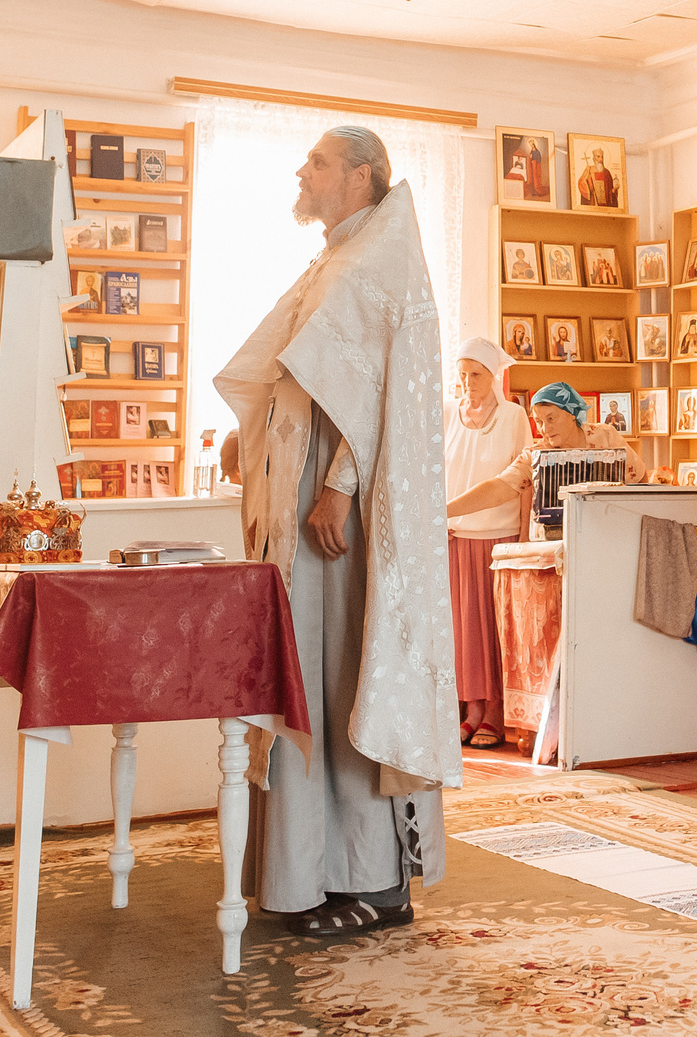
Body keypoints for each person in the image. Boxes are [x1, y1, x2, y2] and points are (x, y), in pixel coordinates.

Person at [216, 126, 456, 938]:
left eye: (316, 160)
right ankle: (307, 874)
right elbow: (306, 375)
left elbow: (380, 394)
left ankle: (370, 880)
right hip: (301, 501)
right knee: (303, 675)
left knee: (343, 672)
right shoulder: (336, 259)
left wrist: (337, 488)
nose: (301, 170)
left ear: (360, 176)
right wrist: (251, 438)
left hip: (335, 509)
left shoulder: (377, 262)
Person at [440, 337, 529, 751]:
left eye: (475, 374)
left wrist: (526, 536)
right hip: (457, 534)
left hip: (500, 534)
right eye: (462, 375)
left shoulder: (513, 416)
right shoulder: (447, 414)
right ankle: (471, 711)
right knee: (464, 630)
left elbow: (524, 480)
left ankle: (495, 712)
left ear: (493, 375)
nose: (468, 383)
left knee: (494, 627)